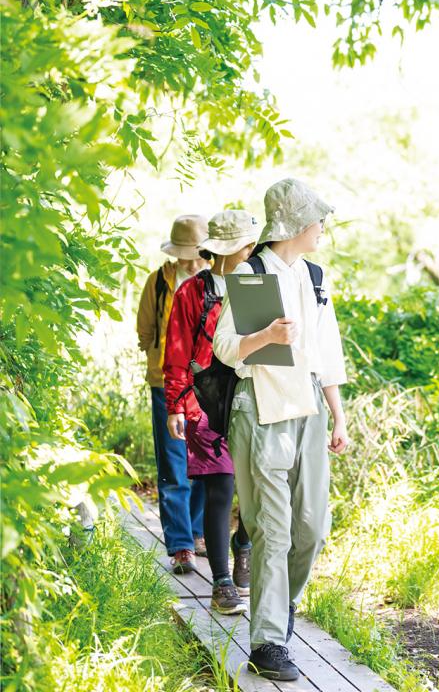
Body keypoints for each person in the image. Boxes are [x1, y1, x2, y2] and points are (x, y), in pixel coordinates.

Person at [213, 178, 349, 682]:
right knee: (272, 528)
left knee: (311, 526)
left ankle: (280, 607)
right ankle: (268, 640)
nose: (323, 228)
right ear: (295, 223)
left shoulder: (314, 276)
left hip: (308, 407)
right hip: (261, 408)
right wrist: (265, 335)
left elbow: (327, 352)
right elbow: (225, 349)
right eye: (318, 219)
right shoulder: (250, 275)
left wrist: (338, 413)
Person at [163, 210, 259, 615]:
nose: (255, 252)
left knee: (253, 490)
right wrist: (175, 405)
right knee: (220, 488)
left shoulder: (256, 287)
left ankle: (243, 544)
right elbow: (177, 352)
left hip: (250, 399)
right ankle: (221, 582)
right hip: (203, 403)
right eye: (249, 247)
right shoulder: (192, 292)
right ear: (231, 250)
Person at [136, 214, 209, 573]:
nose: (188, 260)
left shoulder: (214, 281)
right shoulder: (159, 282)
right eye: (183, 253)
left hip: (207, 386)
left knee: (204, 464)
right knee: (173, 462)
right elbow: (145, 328)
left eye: (193, 253)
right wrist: (158, 361)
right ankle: (181, 544)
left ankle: (196, 532)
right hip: (165, 383)